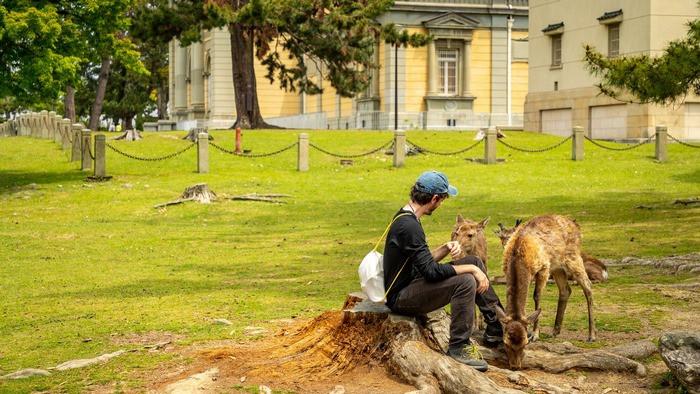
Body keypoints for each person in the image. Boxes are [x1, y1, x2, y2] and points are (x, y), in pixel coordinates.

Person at [383, 170, 505, 372]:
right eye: (441, 200)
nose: (440, 205)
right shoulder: (409, 226)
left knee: (473, 260)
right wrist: (472, 269)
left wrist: (445, 248)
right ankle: (459, 346)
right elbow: (431, 272)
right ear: (434, 198)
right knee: (465, 281)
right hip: (400, 297)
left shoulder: (408, 216)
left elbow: (421, 262)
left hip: (411, 282)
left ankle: (496, 325)